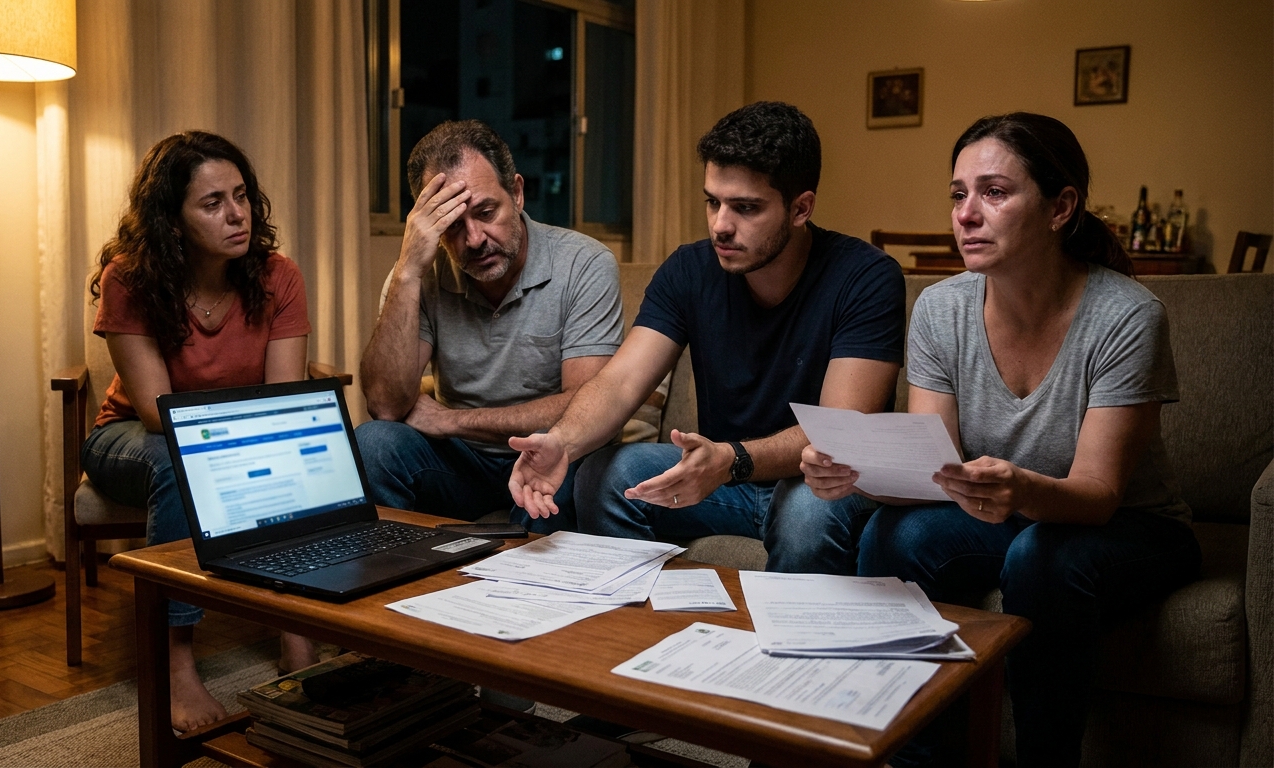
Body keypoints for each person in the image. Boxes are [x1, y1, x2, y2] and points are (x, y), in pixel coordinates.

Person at [801, 113, 1201, 766]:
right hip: (1010, 514)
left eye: (994, 192)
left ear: (1060, 207)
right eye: (958, 194)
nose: (966, 214)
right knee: (892, 534)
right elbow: (934, 470)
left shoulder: (1127, 315)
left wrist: (1019, 488)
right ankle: (916, 758)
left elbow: (1098, 495)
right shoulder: (940, 309)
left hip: (1131, 527)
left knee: (1043, 557)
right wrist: (854, 473)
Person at [509, 101, 905, 572]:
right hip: (726, 480)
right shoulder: (688, 270)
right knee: (602, 474)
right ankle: (638, 614)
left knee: (805, 511)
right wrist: (563, 441)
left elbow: (837, 434)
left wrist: (731, 459)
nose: (721, 225)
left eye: (746, 208)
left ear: (801, 208)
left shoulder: (865, 277)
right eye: (713, 202)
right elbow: (620, 382)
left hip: (819, 483)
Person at [81, 131, 317, 732]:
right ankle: (175, 664)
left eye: (241, 195)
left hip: (223, 438)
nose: (237, 214)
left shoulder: (278, 276)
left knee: (298, 449)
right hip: (132, 440)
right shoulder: (129, 278)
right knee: (177, 458)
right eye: (212, 203)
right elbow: (157, 412)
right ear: (171, 220)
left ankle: (299, 635)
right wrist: (240, 439)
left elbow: (283, 401)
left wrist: (261, 442)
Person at [356, 120, 623, 531]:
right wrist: (408, 271)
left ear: (516, 193)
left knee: (567, 459)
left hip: (547, 453)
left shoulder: (584, 264)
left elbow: (587, 407)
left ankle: (520, 569)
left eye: (485, 212)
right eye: (452, 225)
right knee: (373, 443)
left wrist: (450, 421)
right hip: (460, 462)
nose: (475, 239)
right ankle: (402, 564)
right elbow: (386, 406)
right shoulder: (418, 275)